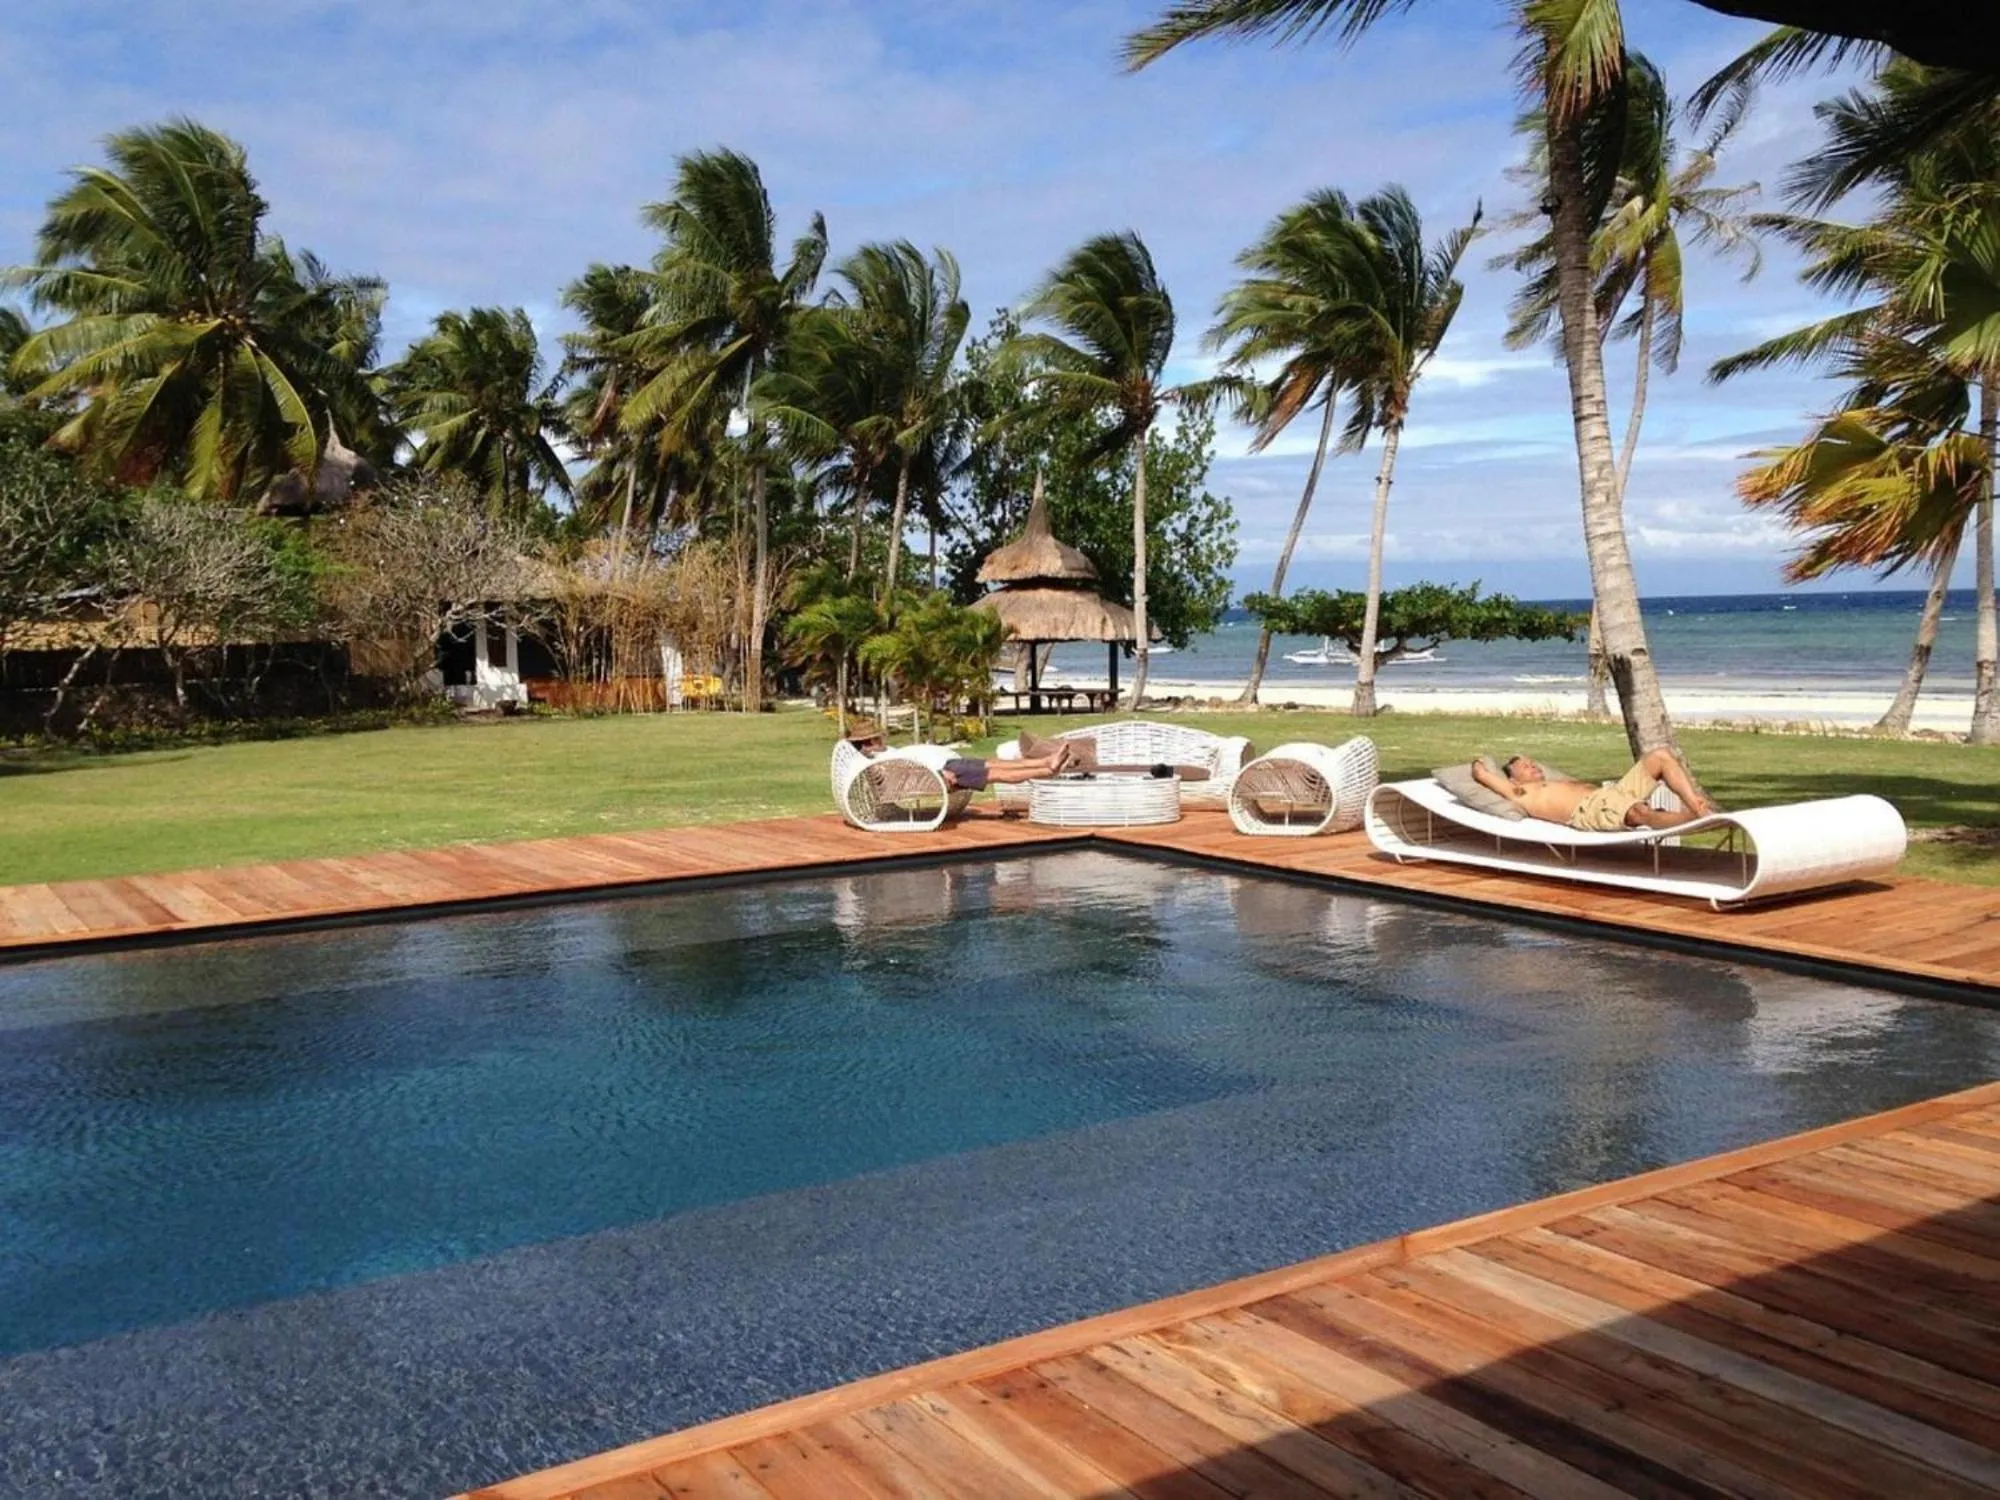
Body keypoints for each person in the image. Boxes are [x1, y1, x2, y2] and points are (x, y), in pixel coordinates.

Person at [1473, 746, 1719, 831]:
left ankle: (1694, 804)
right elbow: (1481, 773)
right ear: (1514, 780)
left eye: (1532, 763)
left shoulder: (1554, 782)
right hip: (1590, 810)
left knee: (1660, 756)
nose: (1533, 766)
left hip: (1611, 794)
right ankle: (1690, 818)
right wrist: (1478, 763)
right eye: (1524, 767)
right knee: (1639, 813)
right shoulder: (1520, 792)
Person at [844, 725, 1073, 792]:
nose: (881, 739)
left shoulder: (881, 753)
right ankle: (1048, 769)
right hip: (943, 770)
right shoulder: (876, 760)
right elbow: (905, 771)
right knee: (997, 773)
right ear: (868, 742)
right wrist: (939, 775)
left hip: (946, 763)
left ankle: (1046, 761)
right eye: (877, 737)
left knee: (995, 763)